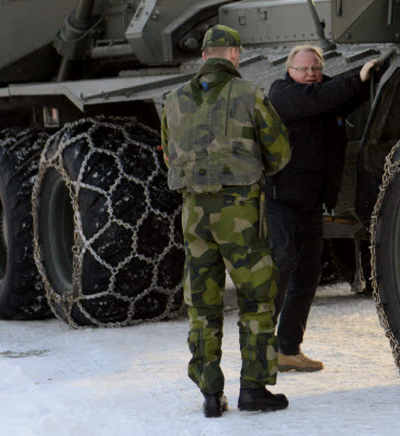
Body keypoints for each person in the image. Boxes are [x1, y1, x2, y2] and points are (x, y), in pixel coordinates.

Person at [160, 24, 292, 418]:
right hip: (240, 213)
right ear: (235, 54)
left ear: (204, 57)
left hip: (194, 213)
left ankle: (209, 395)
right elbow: (280, 152)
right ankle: (253, 389)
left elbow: (169, 154)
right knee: (256, 298)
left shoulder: (172, 100)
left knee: (202, 301)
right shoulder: (250, 94)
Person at [264, 45, 382, 372]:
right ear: (290, 70)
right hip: (280, 198)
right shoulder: (283, 95)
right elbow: (321, 98)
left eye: (316, 68)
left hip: (312, 201)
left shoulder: (324, 92)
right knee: (282, 262)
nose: (311, 74)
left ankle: (288, 349)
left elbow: (350, 94)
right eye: (304, 69)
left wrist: (380, 69)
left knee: (308, 274)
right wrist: (355, 76)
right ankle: (261, 348)